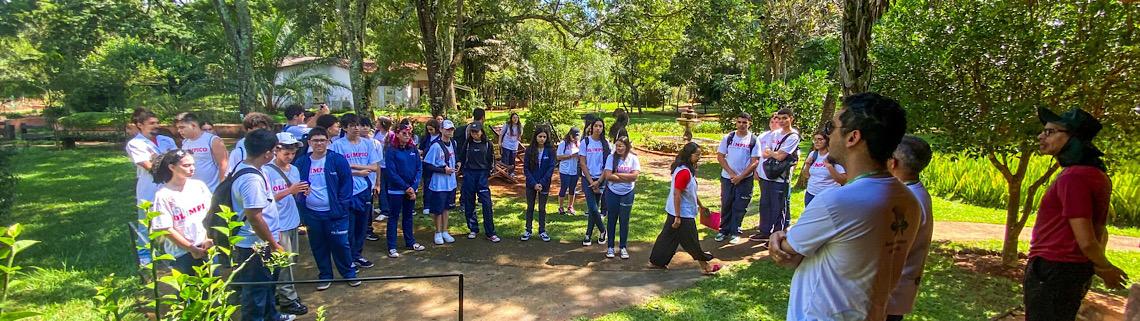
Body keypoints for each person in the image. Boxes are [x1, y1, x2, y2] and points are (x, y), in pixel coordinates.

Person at [768, 92, 920, 321]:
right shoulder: (909, 200)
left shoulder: (837, 201)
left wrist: (777, 236)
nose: (828, 135)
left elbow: (786, 251)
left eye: (833, 127)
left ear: (853, 138)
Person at [1023, 107, 1128, 320]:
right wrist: (1097, 264)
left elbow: (1087, 240)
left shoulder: (1074, 178)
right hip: (1068, 271)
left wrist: (1105, 268)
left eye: (1050, 132)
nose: (1041, 136)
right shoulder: (1097, 175)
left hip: (1054, 271)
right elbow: (1101, 231)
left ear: (1073, 138)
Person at [229, 129, 297, 321]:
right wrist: (273, 244)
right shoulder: (251, 179)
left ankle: (272, 316)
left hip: (264, 241)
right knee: (255, 291)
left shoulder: (252, 168)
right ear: (268, 153)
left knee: (267, 285)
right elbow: (254, 216)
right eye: (275, 149)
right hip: (255, 244)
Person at [295, 127, 359, 291]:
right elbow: (295, 185)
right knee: (318, 245)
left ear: (328, 142)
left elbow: (346, 184)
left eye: (322, 140)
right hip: (312, 213)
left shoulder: (337, 160)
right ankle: (325, 275)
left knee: (340, 244)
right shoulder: (302, 162)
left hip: (336, 213)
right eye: (315, 140)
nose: (319, 143)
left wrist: (342, 205)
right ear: (309, 142)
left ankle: (349, 273)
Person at [647, 142, 721, 275]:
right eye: (697, 155)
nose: (699, 157)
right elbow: (677, 194)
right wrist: (677, 217)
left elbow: (690, 192)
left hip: (677, 212)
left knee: (668, 237)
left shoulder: (684, 169)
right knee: (691, 241)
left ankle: (657, 261)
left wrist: (701, 205)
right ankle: (706, 266)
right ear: (689, 155)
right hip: (682, 214)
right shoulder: (684, 173)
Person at [885, 135, 934, 321]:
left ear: (894, 162)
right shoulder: (916, 192)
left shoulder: (906, 200)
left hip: (889, 294)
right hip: (896, 291)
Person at [263, 133, 310, 316]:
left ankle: (281, 292)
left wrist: (302, 191)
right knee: (284, 263)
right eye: (286, 152)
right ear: (276, 150)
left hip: (292, 220)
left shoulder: (294, 169)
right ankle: (288, 299)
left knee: (289, 261)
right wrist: (289, 191)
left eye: (293, 152)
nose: (290, 156)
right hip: (277, 224)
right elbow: (264, 200)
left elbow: (295, 191)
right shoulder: (265, 171)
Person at [149, 149, 214, 275]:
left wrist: (208, 238)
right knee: (187, 290)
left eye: (193, 164)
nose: (192, 168)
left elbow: (210, 214)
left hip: (206, 246)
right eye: (186, 165)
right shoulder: (163, 195)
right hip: (181, 253)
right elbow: (165, 228)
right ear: (172, 167)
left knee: (211, 287)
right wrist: (191, 249)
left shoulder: (199, 186)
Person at [126, 108, 178, 265]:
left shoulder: (166, 140)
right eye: (151, 123)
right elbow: (150, 167)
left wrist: (158, 159)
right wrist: (166, 162)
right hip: (149, 190)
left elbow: (179, 160)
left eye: (157, 122)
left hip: (171, 188)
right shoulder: (135, 144)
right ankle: (145, 256)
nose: (156, 125)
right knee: (146, 224)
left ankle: (170, 254)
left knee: (171, 223)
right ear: (140, 125)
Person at [329, 113, 380, 269]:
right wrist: (358, 172)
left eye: (358, 125)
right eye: (352, 125)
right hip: (347, 191)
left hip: (365, 189)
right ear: (345, 128)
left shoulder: (368, 144)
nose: (357, 128)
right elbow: (336, 169)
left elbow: (374, 167)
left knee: (362, 225)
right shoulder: (337, 145)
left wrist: (352, 166)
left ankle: (358, 255)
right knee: (348, 227)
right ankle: (348, 258)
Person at [752, 108, 801, 242]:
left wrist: (774, 153)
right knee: (765, 204)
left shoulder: (793, 136)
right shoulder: (775, 134)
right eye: (779, 118)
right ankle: (764, 232)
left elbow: (781, 157)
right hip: (767, 174)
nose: (781, 121)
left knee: (779, 207)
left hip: (781, 177)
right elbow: (765, 152)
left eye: (785, 118)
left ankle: (778, 236)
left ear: (791, 118)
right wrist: (776, 153)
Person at [715, 112, 761, 244]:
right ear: (736, 122)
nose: (742, 125)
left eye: (744, 122)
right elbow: (720, 157)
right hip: (727, 178)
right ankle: (723, 230)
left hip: (745, 180)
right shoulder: (728, 137)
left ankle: (735, 231)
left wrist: (741, 177)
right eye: (739, 122)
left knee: (740, 205)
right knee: (727, 203)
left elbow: (754, 162)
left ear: (749, 123)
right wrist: (731, 174)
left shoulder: (753, 140)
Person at [383, 124, 426, 258]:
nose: (407, 136)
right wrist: (406, 187)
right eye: (404, 133)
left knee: (408, 216)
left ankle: (410, 241)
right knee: (394, 217)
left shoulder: (413, 148)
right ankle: (392, 246)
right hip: (396, 190)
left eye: (409, 134)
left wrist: (413, 187)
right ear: (397, 134)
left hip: (411, 190)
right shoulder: (391, 150)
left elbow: (419, 168)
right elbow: (391, 172)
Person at [457, 122, 499, 242]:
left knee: (486, 203)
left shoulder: (487, 144)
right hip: (469, 174)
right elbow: (461, 157)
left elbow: (491, 159)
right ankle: (473, 229)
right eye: (472, 132)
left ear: (482, 132)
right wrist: (460, 165)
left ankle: (490, 232)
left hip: (482, 175)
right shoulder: (468, 143)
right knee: (469, 202)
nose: (475, 134)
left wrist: (489, 171)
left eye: (477, 132)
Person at [602, 136, 640, 259]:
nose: (618, 148)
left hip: (627, 193)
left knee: (624, 220)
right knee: (612, 219)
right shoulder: (611, 158)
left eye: (621, 146)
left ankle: (623, 247)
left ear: (626, 146)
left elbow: (634, 177)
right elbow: (608, 176)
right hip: (612, 192)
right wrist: (626, 176)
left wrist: (617, 174)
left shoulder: (633, 159)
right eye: (617, 145)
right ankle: (610, 247)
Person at [424, 120, 459, 245]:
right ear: (441, 130)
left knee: (447, 208)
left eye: (451, 129)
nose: (449, 132)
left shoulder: (453, 143)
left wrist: (458, 163)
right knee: (438, 209)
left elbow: (456, 157)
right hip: (439, 183)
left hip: (451, 182)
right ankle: (438, 232)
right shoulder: (436, 146)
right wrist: (443, 170)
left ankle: (445, 230)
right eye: (447, 129)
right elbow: (427, 165)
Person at [176, 112, 229, 191]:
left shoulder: (213, 140)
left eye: (182, 127)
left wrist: (222, 187)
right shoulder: (185, 142)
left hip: (212, 189)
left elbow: (224, 164)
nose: (179, 131)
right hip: (192, 190)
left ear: (193, 125)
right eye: (178, 128)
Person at [578, 117, 610, 246]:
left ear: (603, 128)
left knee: (594, 209)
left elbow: (608, 164)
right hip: (587, 178)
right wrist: (591, 181)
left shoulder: (606, 143)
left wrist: (599, 181)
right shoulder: (585, 142)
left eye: (600, 126)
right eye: (596, 126)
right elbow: (582, 163)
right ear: (591, 127)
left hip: (601, 179)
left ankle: (588, 235)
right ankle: (603, 230)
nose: (598, 128)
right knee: (592, 206)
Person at [522, 127, 556, 242]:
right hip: (531, 184)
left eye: (544, 137)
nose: (542, 139)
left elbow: (551, 168)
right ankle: (528, 230)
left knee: (542, 208)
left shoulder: (550, 150)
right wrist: (534, 183)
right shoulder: (529, 150)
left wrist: (541, 183)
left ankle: (542, 231)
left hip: (544, 184)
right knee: (530, 207)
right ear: (536, 137)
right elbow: (526, 168)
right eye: (540, 136)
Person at [801, 130, 847, 206]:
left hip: (828, 196)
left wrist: (829, 167)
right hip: (810, 194)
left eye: (820, 139)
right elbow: (806, 175)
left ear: (827, 141)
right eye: (815, 140)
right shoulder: (813, 154)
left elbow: (843, 180)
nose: (817, 142)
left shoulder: (833, 157)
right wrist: (807, 164)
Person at [556, 127, 581, 216]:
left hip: (574, 169)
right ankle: (561, 206)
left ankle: (570, 206)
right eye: (574, 137)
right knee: (564, 187)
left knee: (572, 188)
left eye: (577, 137)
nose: (575, 139)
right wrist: (570, 156)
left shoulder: (578, 144)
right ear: (570, 135)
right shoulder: (563, 144)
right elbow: (558, 157)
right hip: (565, 170)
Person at [419, 118, 441, 215]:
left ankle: (436, 203)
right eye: (428, 129)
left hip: (437, 165)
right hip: (427, 165)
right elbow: (421, 149)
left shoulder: (441, 138)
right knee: (427, 185)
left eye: (431, 129)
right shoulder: (426, 138)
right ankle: (427, 205)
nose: (430, 132)